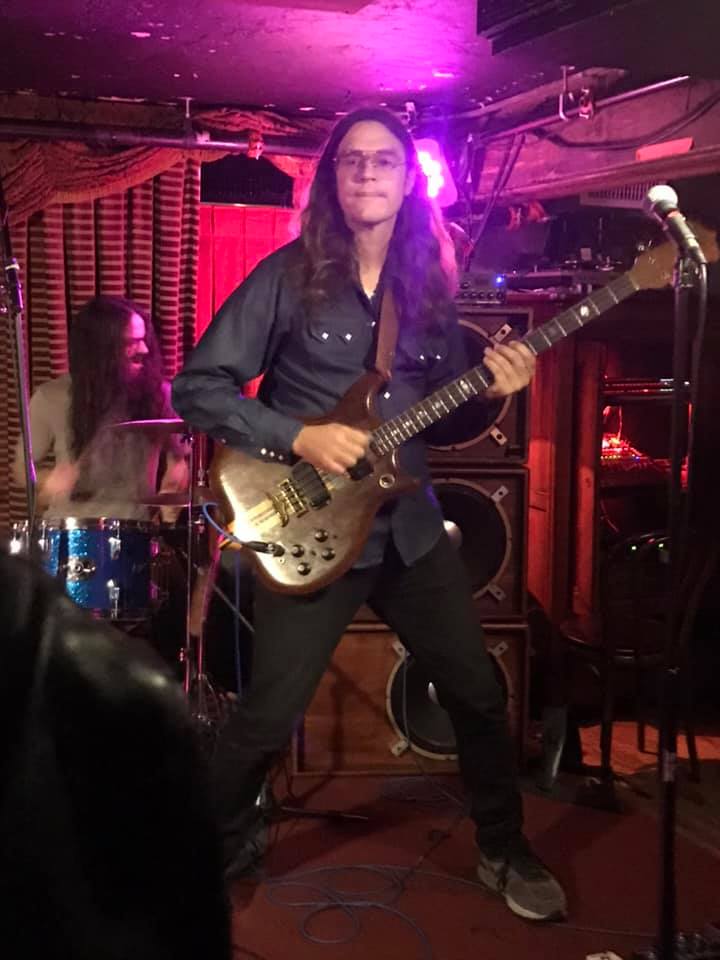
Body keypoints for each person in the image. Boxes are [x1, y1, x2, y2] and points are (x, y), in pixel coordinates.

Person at [172, 107, 567, 922]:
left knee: (478, 694)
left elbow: (443, 413)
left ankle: (503, 846)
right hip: (313, 526)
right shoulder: (288, 276)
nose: (366, 172)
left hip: (408, 529)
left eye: (383, 160)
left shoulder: (430, 289)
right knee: (266, 716)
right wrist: (298, 436)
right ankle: (212, 846)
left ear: (407, 180)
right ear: (331, 179)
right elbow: (197, 387)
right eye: (350, 160)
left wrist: (495, 388)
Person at [12, 295, 187, 520]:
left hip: (136, 528)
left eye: (144, 339)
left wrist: (171, 488)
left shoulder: (160, 394)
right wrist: (48, 479)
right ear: (102, 348)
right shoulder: (52, 396)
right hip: (69, 529)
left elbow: (178, 459)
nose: (144, 349)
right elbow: (21, 468)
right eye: (131, 342)